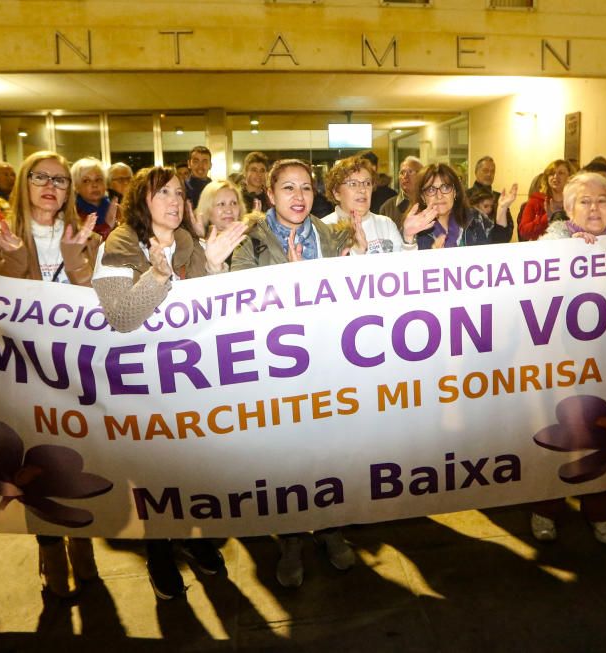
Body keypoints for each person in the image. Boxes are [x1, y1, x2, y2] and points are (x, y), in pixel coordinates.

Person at [91, 166, 247, 599]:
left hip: (189, 380)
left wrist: (213, 268)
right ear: (142, 200)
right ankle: (159, 553)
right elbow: (120, 318)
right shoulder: (119, 243)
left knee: (191, 466)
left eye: (179, 193)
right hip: (143, 382)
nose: (175, 202)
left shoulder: (187, 241)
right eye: (163, 194)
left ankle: (195, 541)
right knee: (152, 473)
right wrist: (158, 277)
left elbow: (211, 310)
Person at [230, 159, 364, 589]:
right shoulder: (250, 237)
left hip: (325, 363)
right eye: (288, 188)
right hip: (276, 369)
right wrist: (288, 279)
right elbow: (234, 297)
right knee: (287, 458)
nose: (299, 197)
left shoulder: (329, 234)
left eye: (305, 187)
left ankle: (329, 529)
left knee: (327, 452)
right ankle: (290, 540)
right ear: (270, 195)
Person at [0, 151, 101, 597]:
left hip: (75, 368)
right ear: (22, 183)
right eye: (40, 177)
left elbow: (98, 303)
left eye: (61, 180)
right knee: (32, 467)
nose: (51, 186)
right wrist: (11, 262)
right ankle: (50, 555)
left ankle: (83, 546)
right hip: (21, 372)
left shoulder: (83, 233)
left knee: (75, 462)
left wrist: (77, 260)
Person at [531, 172, 606, 545]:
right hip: (563, 364)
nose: (594, 208)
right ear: (569, 208)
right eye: (584, 201)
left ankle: (600, 513)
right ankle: (545, 509)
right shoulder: (553, 241)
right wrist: (567, 251)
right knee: (561, 436)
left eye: (602, 201)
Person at [410, 163, 515, 249]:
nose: (439, 195)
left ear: (455, 192)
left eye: (446, 188)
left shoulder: (474, 218)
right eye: (431, 190)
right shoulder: (414, 230)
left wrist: (502, 209)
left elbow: (499, 242)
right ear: (423, 197)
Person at [321, 155, 406, 254]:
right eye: (353, 184)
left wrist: (409, 238)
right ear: (336, 193)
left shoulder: (386, 224)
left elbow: (405, 266)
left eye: (367, 183)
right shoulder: (323, 229)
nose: (362, 189)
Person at [517, 159, 574, 242]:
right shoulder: (535, 201)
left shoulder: (576, 202)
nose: (555, 176)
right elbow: (524, 232)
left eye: (560, 173)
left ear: (569, 177)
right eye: (551, 173)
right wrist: (547, 217)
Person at [71, 157, 116, 241]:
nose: (94, 185)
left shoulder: (116, 209)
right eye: (86, 181)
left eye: (98, 179)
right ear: (76, 187)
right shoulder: (72, 215)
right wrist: (107, 226)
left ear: (105, 184)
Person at [379, 156, 423, 234]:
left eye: (410, 172)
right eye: (402, 173)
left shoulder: (430, 203)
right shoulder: (387, 208)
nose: (405, 176)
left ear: (422, 175)